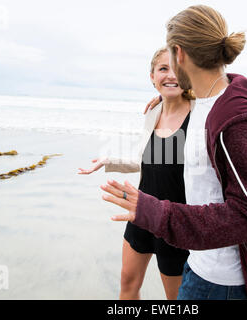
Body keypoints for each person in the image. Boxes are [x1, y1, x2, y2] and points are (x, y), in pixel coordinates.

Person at [100, 5, 247, 300]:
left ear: (180, 53)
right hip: (198, 266)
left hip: (223, 284)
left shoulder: (236, 120)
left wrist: (157, 212)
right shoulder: (203, 103)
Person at [79, 48, 195, 300]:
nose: (171, 75)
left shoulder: (200, 115)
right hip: (140, 211)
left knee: (175, 298)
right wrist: (108, 160)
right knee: (127, 283)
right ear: (152, 76)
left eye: (178, 69)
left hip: (174, 221)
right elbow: (153, 161)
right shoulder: (153, 112)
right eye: (163, 69)